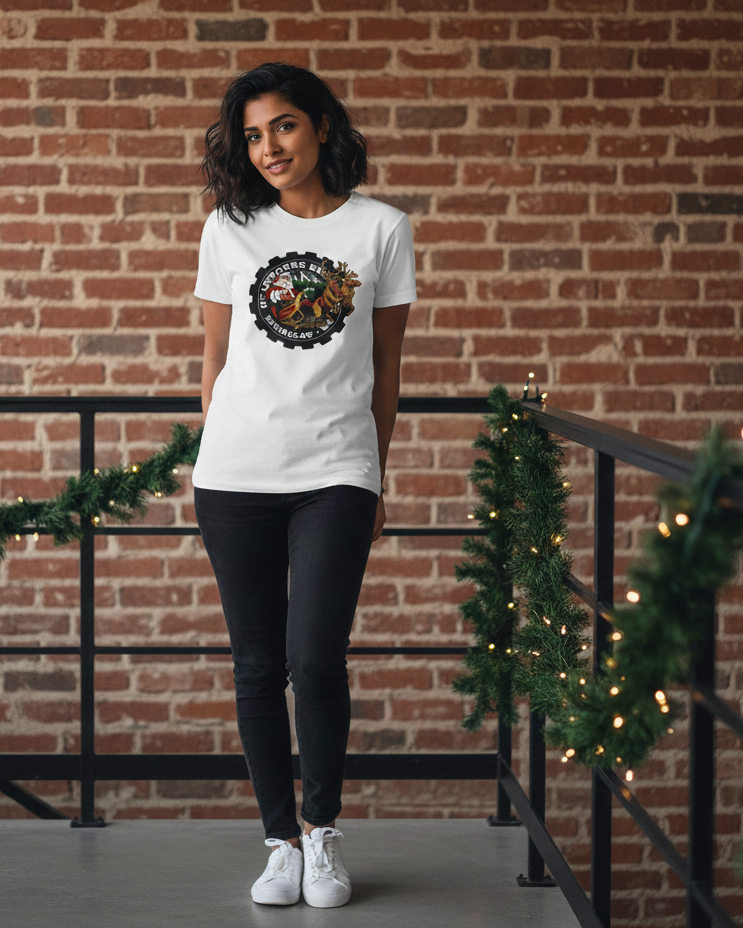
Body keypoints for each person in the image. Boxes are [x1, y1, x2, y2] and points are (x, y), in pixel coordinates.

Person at [191, 62, 417, 908]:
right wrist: (215, 446)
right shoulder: (228, 228)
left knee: (314, 659)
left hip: (335, 471)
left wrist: (374, 475)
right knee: (256, 666)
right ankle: (278, 842)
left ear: (320, 124)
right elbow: (213, 363)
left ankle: (323, 834)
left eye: (282, 126)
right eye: (252, 135)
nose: (268, 147)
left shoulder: (381, 229)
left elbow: (386, 374)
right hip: (235, 474)